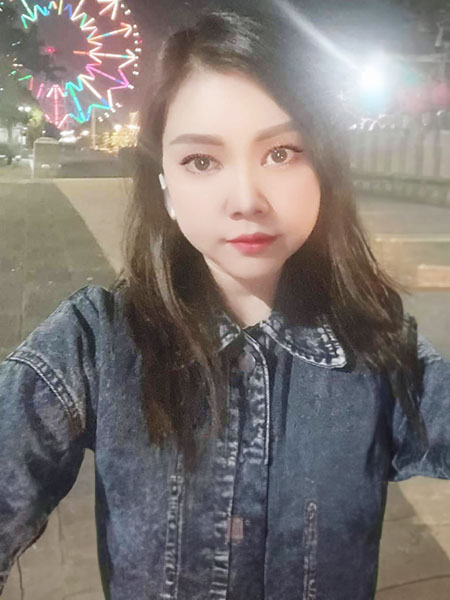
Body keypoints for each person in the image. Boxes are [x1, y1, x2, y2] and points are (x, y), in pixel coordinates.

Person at [0, 6, 449, 600]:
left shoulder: (374, 344)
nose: (245, 199)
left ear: (323, 166)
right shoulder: (93, 345)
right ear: (165, 184)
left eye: (281, 152)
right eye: (201, 161)